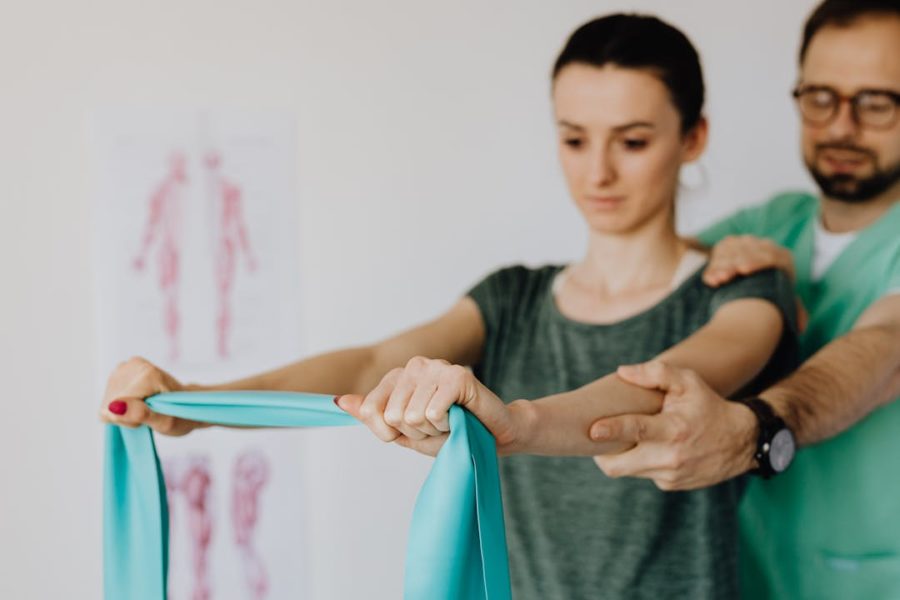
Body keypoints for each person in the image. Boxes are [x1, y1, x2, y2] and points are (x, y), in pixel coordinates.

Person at [101, 14, 798, 599]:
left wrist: (515, 422)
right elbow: (375, 360)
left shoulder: (743, 290)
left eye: (633, 141)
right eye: (574, 138)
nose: (598, 171)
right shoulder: (514, 297)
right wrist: (192, 404)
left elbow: (657, 388)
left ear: (693, 138)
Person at [578, 1, 900, 598]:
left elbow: (885, 350)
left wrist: (754, 428)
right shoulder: (771, 225)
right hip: (745, 578)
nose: (841, 126)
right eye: (820, 97)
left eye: (876, 102)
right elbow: (652, 275)